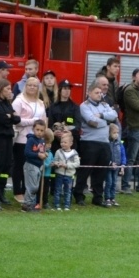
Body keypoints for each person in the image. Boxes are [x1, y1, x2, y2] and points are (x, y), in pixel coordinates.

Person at [75, 79, 116, 207]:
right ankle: (78, 194)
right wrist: (107, 121)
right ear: (89, 92)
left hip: (104, 143)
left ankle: (98, 197)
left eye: (100, 93)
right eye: (96, 92)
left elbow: (114, 115)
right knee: (85, 170)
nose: (99, 94)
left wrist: (102, 116)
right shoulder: (84, 106)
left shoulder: (104, 105)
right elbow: (92, 122)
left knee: (101, 171)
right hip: (89, 142)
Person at [12, 76, 47, 203]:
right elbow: (15, 120)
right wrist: (34, 122)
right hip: (22, 138)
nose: (32, 87)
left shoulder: (40, 102)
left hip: (37, 140)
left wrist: (45, 133)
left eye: (35, 85)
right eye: (29, 85)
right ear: (25, 86)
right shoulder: (19, 101)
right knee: (20, 166)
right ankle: (17, 191)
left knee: (33, 167)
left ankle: (28, 192)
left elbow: (44, 120)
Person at [0, 79, 21, 206]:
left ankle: (0, 192)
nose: (10, 91)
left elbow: (17, 119)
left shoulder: (8, 103)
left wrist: (10, 116)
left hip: (8, 137)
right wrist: (10, 117)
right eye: (7, 88)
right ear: (0, 89)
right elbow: (2, 119)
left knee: (7, 165)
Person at [22, 119, 48, 212]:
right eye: (37, 129)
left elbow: (41, 151)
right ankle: (26, 204)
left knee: (36, 186)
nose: (39, 132)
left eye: (42, 130)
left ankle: (31, 204)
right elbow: (27, 152)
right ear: (33, 129)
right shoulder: (31, 140)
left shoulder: (42, 141)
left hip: (38, 166)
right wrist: (38, 155)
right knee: (32, 186)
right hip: (30, 165)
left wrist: (44, 154)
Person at [52, 131, 79, 211]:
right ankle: (57, 204)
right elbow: (54, 160)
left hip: (69, 175)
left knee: (68, 191)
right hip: (59, 174)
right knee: (57, 190)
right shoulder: (58, 152)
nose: (63, 144)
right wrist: (56, 164)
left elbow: (77, 164)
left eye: (65, 142)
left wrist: (67, 165)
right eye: (61, 142)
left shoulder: (74, 153)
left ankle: (67, 205)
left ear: (71, 143)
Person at [104, 123, 125, 207]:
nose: (116, 135)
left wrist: (123, 165)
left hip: (117, 167)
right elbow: (105, 155)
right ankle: (107, 198)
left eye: (117, 133)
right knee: (109, 182)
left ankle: (113, 198)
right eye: (114, 132)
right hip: (109, 167)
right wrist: (110, 163)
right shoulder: (106, 143)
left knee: (114, 183)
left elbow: (123, 154)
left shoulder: (119, 143)